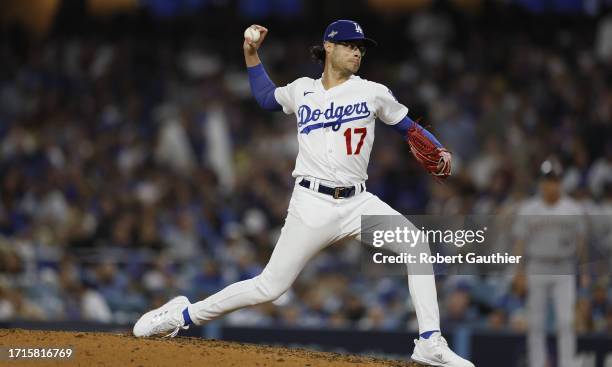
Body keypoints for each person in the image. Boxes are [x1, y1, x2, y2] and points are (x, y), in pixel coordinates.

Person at [133, 20, 473, 367]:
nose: (357, 51)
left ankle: (430, 342)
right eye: (349, 45)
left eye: (361, 47)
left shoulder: (373, 91)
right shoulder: (302, 90)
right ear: (329, 47)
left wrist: (439, 148)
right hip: (311, 202)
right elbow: (266, 97)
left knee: (415, 244)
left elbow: (409, 128)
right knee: (270, 287)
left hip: (358, 202)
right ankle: (183, 316)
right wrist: (251, 54)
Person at [513, 158, 587, 367]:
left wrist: (583, 270)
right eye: (547, 180)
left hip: (564, 267)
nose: (550, 184)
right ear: (540, 183)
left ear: (560, 182)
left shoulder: (573, 209)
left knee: (566, 321)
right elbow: (520, 242)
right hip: (536, 266)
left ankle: (567, 364)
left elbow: (581, 242)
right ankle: (537, 364)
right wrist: (519, 272)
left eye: (554, 179)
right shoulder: (529, 209)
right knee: (536, 323)